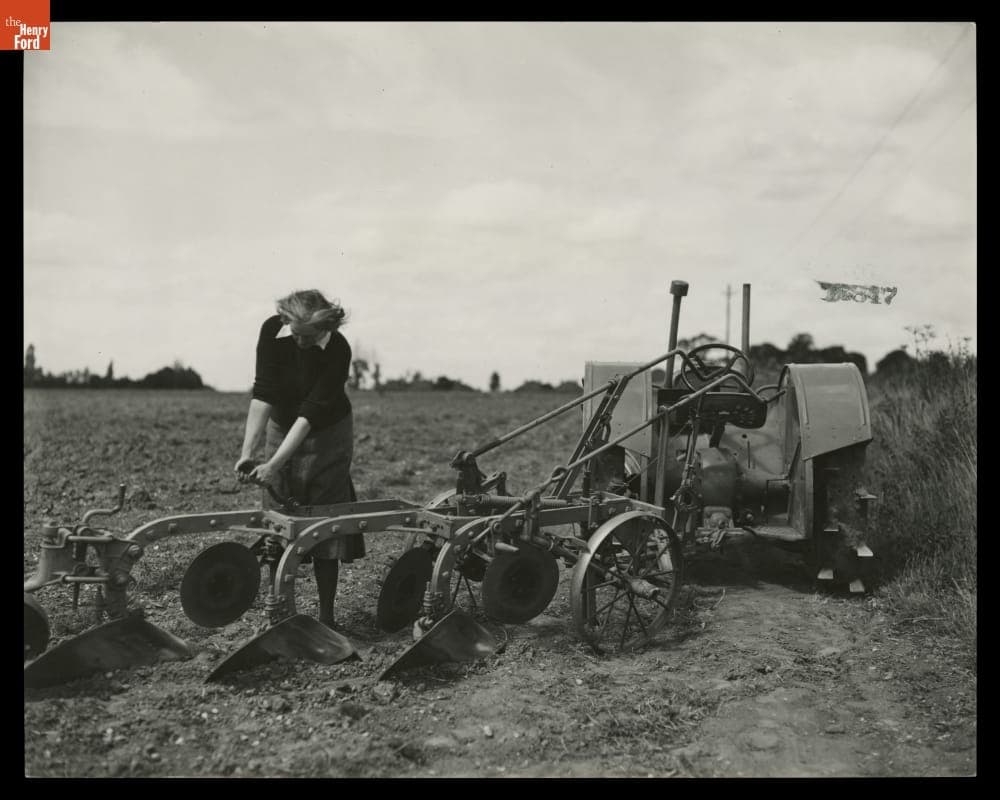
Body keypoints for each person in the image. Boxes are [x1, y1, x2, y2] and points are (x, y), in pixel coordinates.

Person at [234, 289, 364, 628]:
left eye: (310, 337)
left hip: (327, 432)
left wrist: (274, 463)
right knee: (276, 517)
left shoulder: (338, 350)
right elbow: (263, 393)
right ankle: (279, 613)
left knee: (325, 520)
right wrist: (248, 454)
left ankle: (327, 618)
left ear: (325, 327)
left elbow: (310, 415)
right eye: (297, 335)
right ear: (286, 321)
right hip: (282, 423)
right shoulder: (271, 331)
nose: (302, 344)